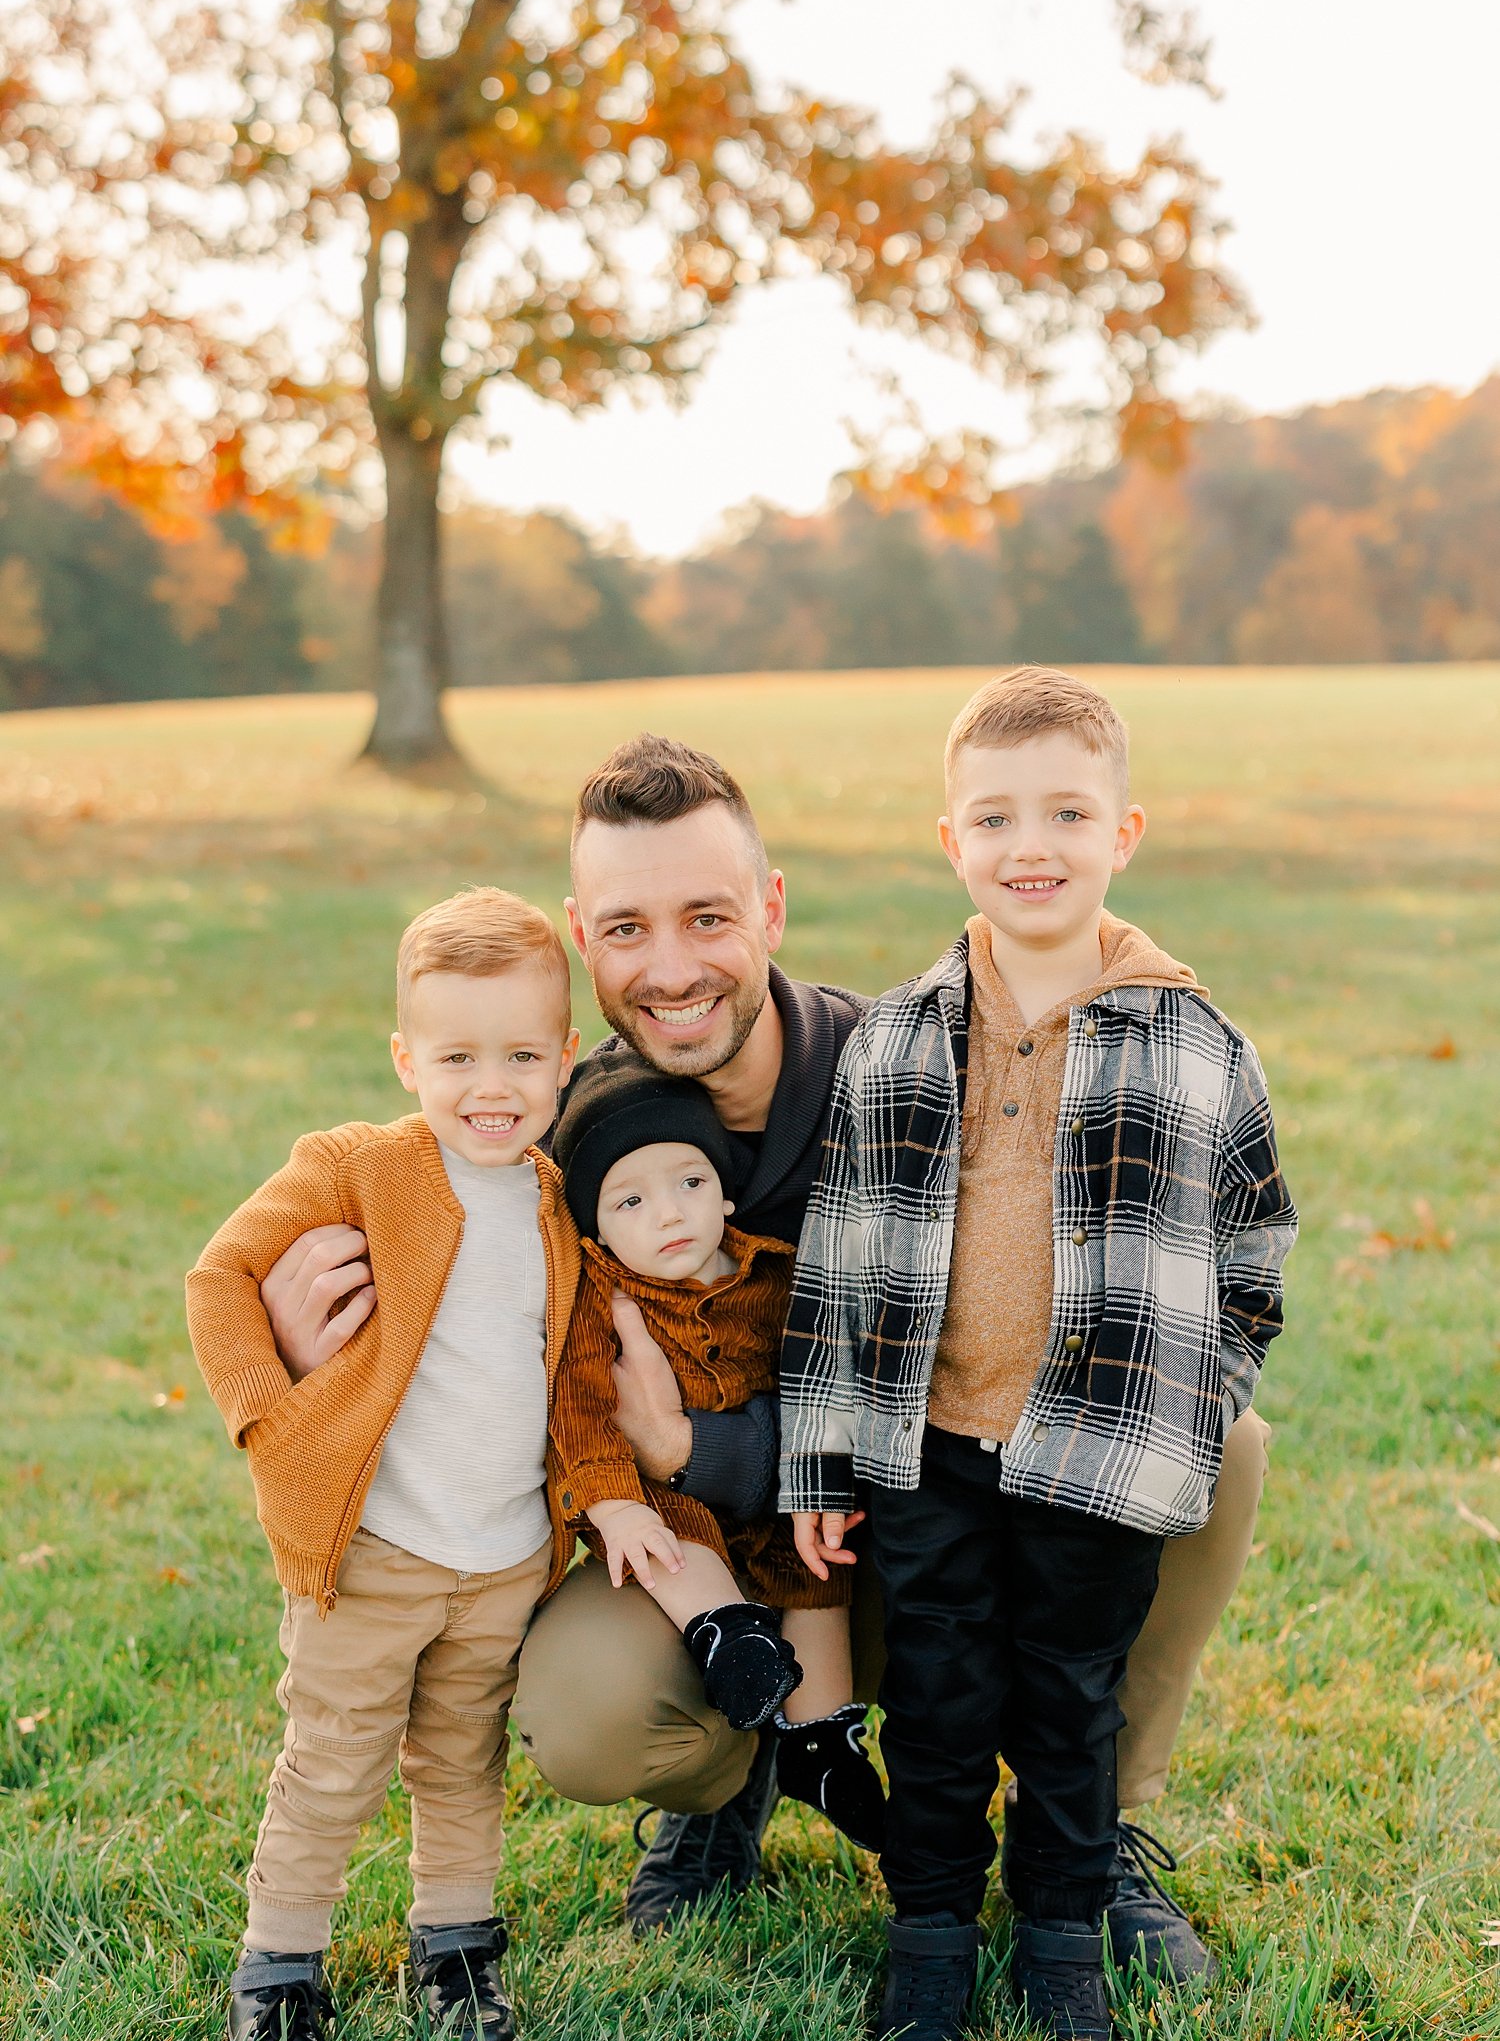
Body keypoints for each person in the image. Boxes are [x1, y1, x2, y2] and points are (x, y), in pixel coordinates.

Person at [256, 732, 1277, 1966]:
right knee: (589, 1715)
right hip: (708, 1561)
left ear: (773, 908)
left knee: (1214, 1439)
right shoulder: (564, 1144)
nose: (673, 967)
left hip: (948, 1513)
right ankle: (726, 1782)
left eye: (708, 916)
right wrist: (323, 1352)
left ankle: (1095, 1827)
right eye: (628, 928)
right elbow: (463, 1302)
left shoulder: (900, 1068)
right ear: (585, 939)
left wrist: (703, 1443)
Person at [782, 667, 1298, 2041]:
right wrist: (826, 1457)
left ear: (1125, 830)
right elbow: (837, 1264)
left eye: (1069, 810)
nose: (1034, 843)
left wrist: (1186, 1409)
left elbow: (1255, 1251)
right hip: (930, 1441)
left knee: (1073, 1696)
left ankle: (1064, 1932)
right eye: (997, 814)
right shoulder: (896, 1036)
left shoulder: (1195, 1041)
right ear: (950, 839)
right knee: (943, 1698)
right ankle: (931, 1934)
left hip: (1100, 1444)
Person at [185, 889, 581, 2041]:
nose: (490, 1085)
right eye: (457, 1057)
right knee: (333, 1764)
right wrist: (273, 1413)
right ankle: (280, 1969)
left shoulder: (559, 1200)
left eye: (521, 1054)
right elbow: (221, 1279)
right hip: (375, 1553)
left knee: (462, 1761)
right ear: (407, 1058)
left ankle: (455, 1950)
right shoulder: (359, 1168)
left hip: (502, 1556)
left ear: (566, 1057)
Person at [548, 1059, 884, 1848]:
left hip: (782, 1503)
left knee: (817, 1574)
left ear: (726, 1193)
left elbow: (825, 1374)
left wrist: (819, 1475)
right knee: (672, 1535)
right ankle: (726, 1634)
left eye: (690, 1184)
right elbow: (580, 1405)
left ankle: (822, 1746)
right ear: (595, 1228)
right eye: (632, 1200)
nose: (669, 1214)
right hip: (661, 1506)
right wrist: (616, 1503)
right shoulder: (602, 1295)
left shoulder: (777, 1272)